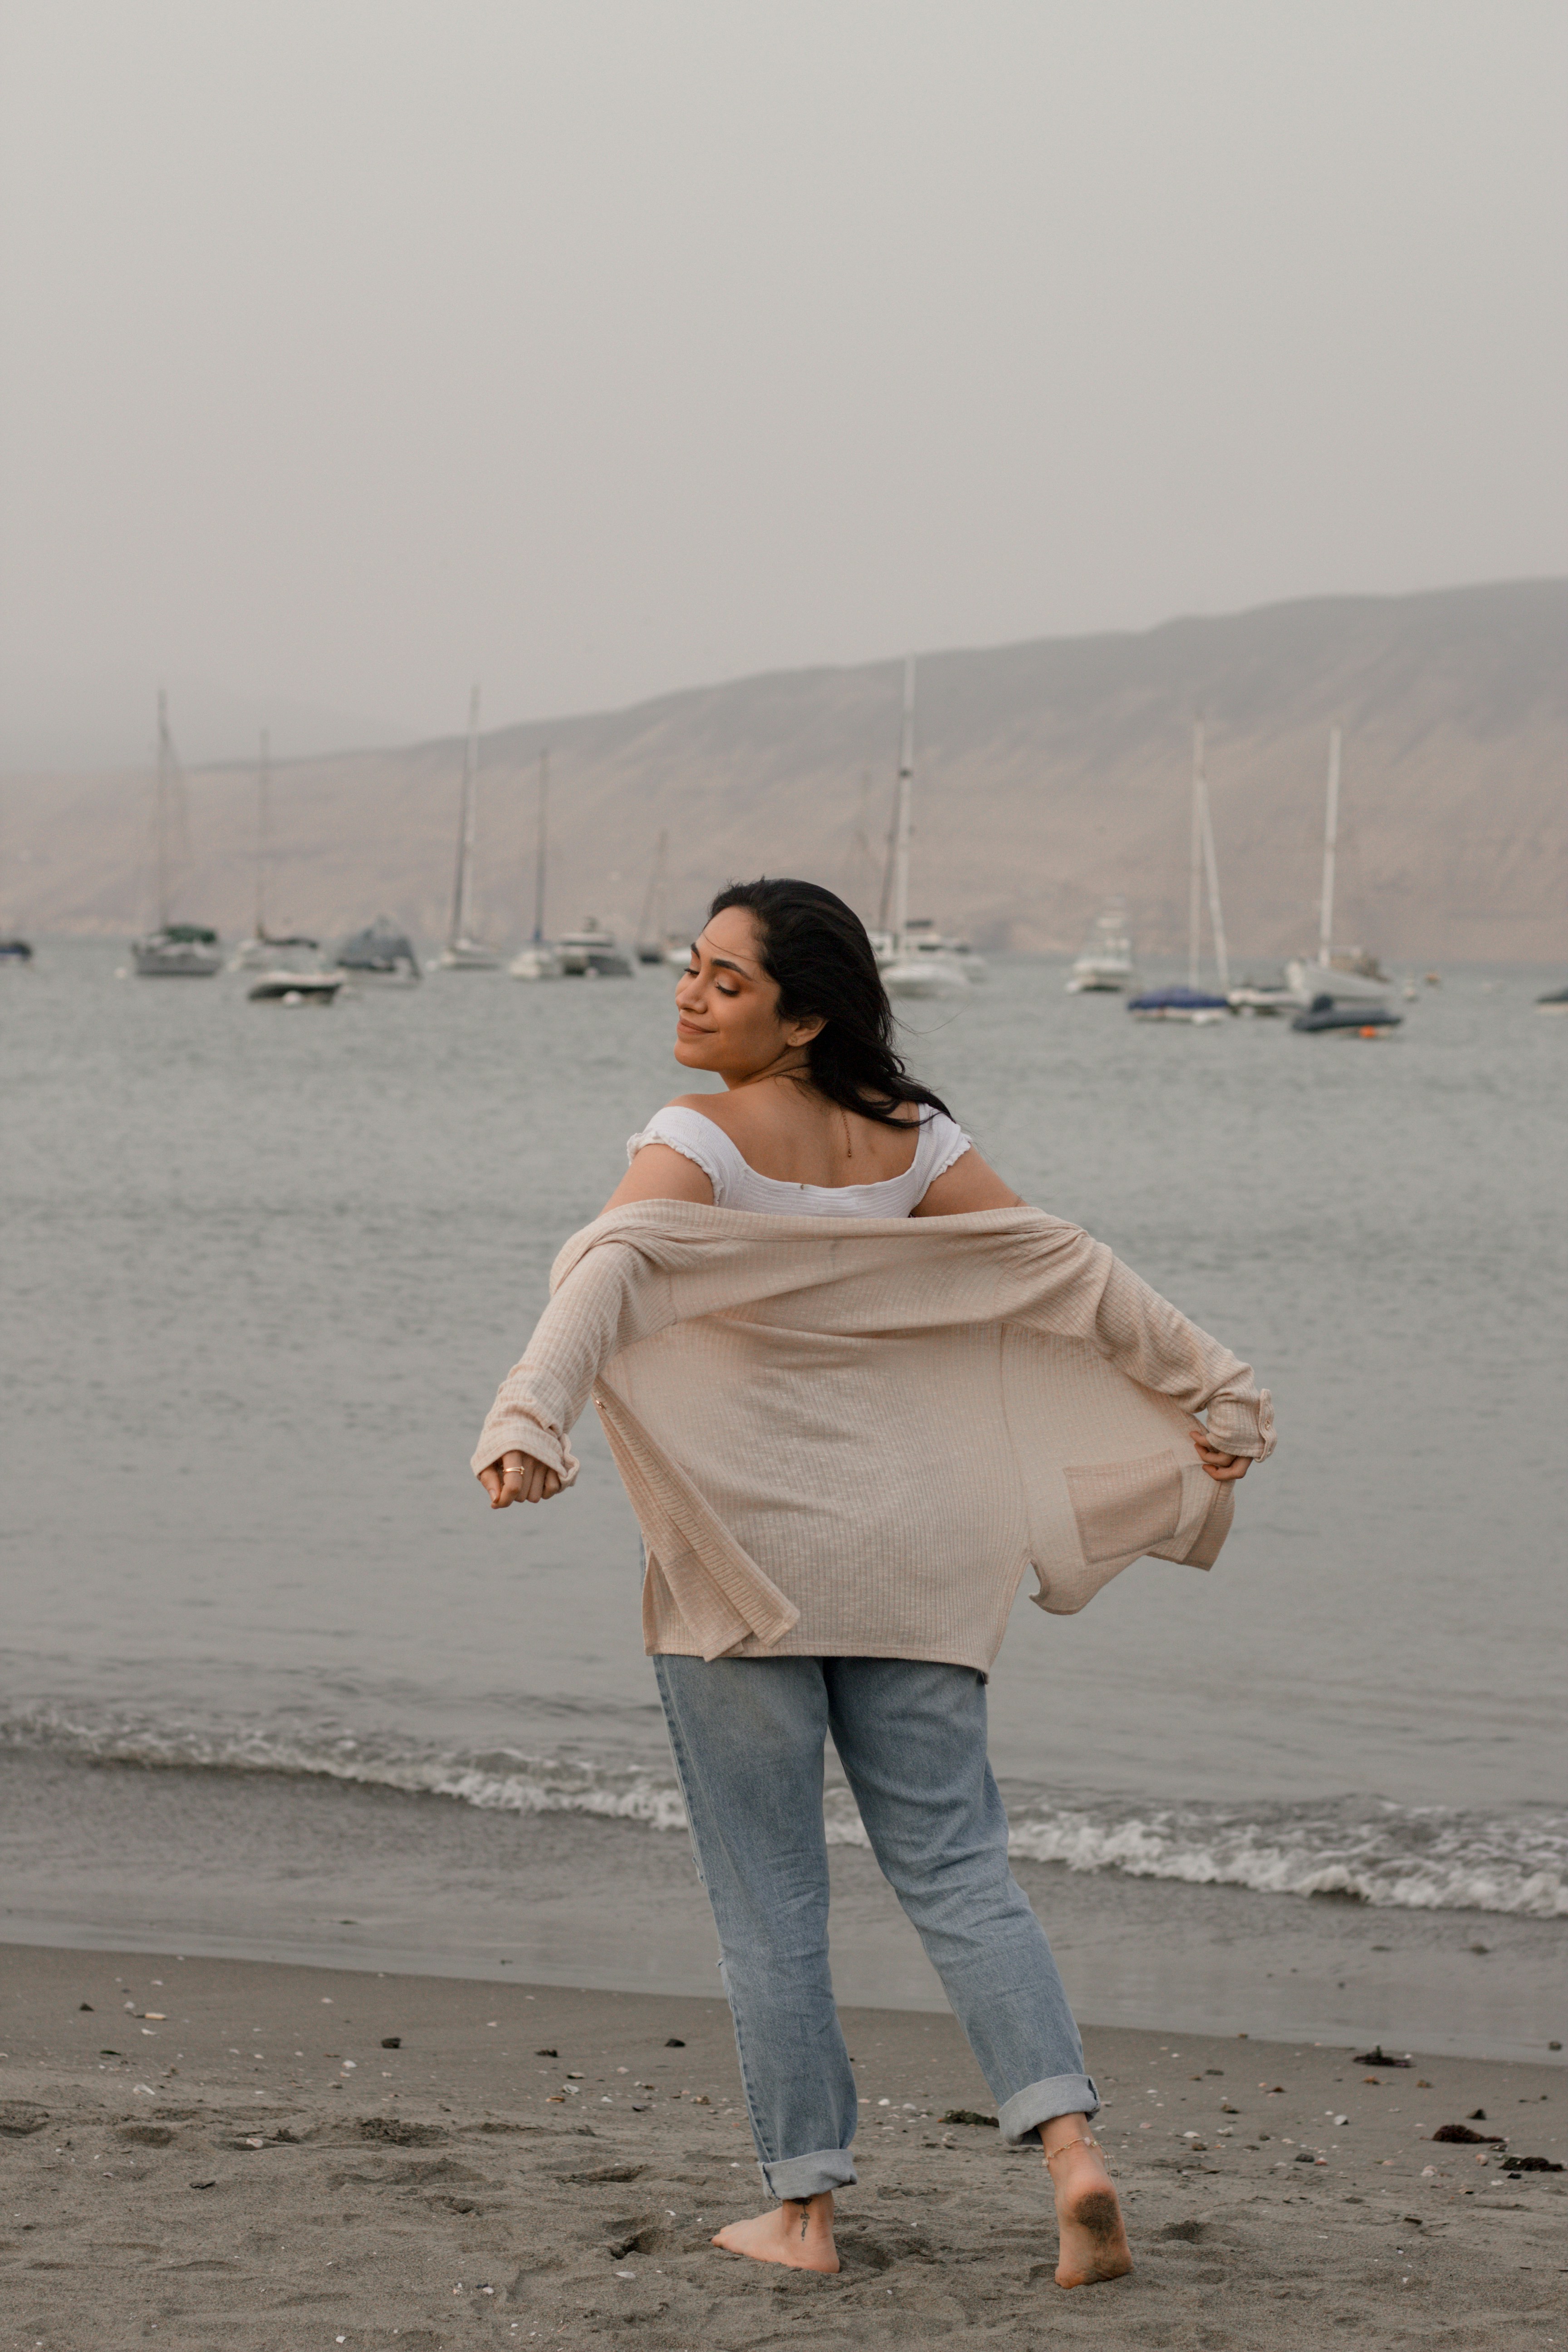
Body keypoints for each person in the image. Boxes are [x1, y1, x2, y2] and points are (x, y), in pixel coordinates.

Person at [474, 878, 1271, 2290]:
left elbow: (602, 1275)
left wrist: (529, 1418)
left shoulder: (697, 1136)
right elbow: (1057, 1271)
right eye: (691, 966)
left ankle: (805, 2215)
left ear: (805, 1016)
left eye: (726, 979)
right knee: (963, 1872)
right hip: (917, 1556)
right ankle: (1072, 2153)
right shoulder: (914, 1141)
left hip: (747, 1564)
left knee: (772, 1899)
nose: (690, 993)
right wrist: (1210, 1390)